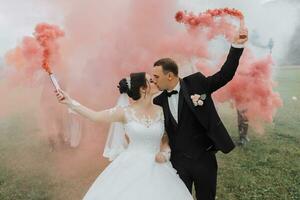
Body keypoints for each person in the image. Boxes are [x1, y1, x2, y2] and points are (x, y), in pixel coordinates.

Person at [55, 72, 194, 200]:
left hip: (160, 167)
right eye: (151, 81)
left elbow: (167, 138)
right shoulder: (124, 112)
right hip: (130, 165)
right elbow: (95, 116)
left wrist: (165, 152)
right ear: (142, 88)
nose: (156, 82)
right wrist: (70, 102)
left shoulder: (162, 111)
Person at [152, 27, 248, 200]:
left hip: (204, 159)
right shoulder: (157, 102)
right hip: (178, 163)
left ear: (171, 76)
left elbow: (224, 75)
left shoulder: (197, 84)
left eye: (156, 77)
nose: (154, 81)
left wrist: (236, 47)